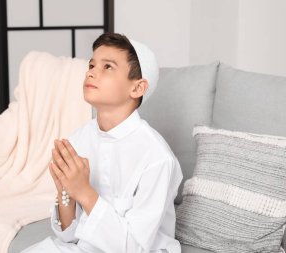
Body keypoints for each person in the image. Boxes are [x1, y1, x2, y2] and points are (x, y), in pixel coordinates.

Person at [21, 32, 183, 253]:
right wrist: (64, 192)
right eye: (92, 65)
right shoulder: (78, 140)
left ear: (137, 88)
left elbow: (133, 247)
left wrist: (84, 191)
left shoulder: (157, 157)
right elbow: (69, 236)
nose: (91, 72)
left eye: (107, 67)